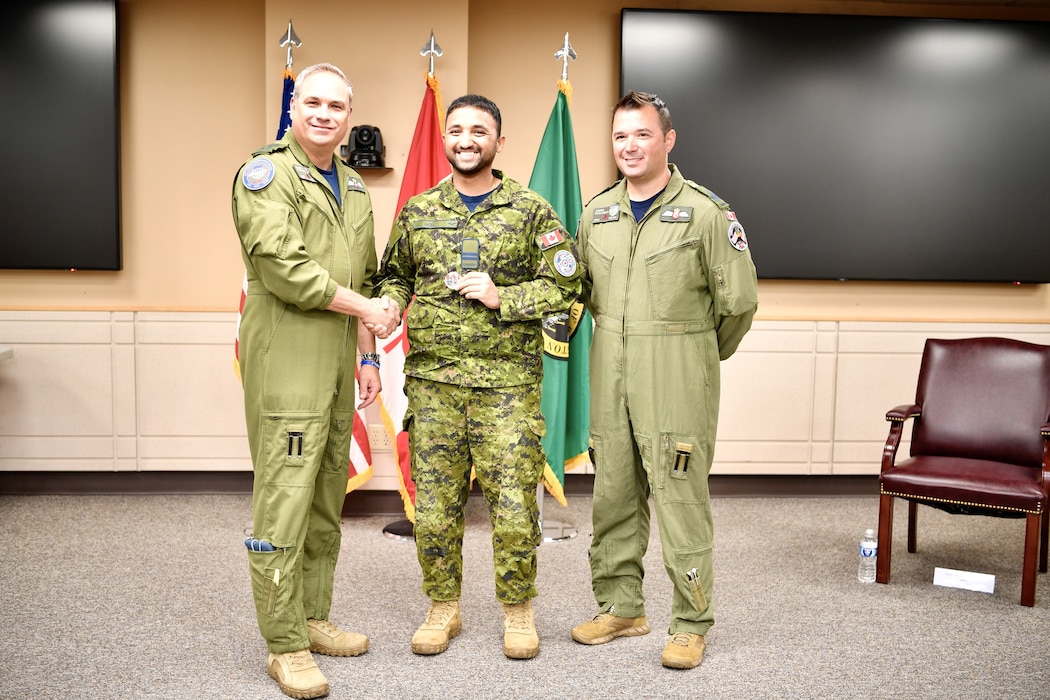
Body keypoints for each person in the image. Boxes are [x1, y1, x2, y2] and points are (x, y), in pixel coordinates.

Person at [373, 94, 582, 660]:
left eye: (479, 131)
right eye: (456, 130)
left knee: (513, 505)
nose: (466, 140)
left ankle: (518, 611)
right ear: (445, 139)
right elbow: (393, 276)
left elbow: (568, 286)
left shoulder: (530, 210)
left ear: (498, 141)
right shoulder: (419, 211)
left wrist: (502, 295)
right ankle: (443, 606)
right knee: (436, 506)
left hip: (506, 388)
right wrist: (388, 306)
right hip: (434, 385)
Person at [570, 91, 758, 670]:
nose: (630, 146)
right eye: (621, 135)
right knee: (614, 495)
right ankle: (622, 607)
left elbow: (739, 304)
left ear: (668, 140)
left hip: (677, 374)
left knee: (680, 499)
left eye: (642, 134)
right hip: (610, 374)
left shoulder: (706, 213)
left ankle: (691, 620)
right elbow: (578, 296)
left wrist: (694, 358)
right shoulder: (595, 213)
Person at [231, 62, 400, 700]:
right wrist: (368, 313)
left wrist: (367, 357)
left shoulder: (353, 186)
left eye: (337, 106)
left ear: (349, 115)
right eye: (314, 103)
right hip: (288, 362)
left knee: (328, 498)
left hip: (337, 362)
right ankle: (284, 644)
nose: (325, 115)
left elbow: (364, 274)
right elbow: (288, 272)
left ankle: (311, 615)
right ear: (294, 107)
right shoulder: (265, 176)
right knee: (286, 502)